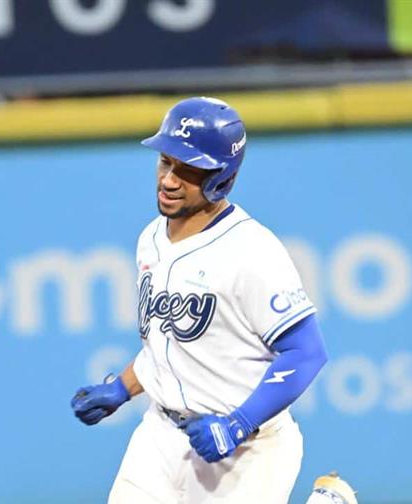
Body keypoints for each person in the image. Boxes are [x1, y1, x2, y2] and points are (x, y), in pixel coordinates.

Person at [71, 97, 328, 503]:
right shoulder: (151, 239)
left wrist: (237, 424)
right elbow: (168, 344)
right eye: (166, 162)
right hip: (159, 439)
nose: (169, 179)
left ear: (221, 177)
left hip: (248, 449)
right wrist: (122, 387)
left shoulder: (253, 251)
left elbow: (306, 352)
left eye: (189, 169)